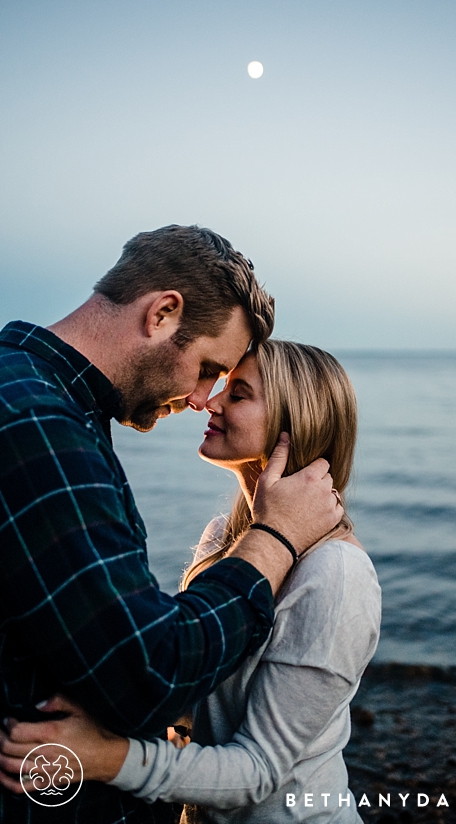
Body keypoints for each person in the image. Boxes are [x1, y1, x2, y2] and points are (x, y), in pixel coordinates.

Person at [0, 227, 344, 823]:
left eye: (228, 384)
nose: (200, 399)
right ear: (162, 314)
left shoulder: (44, 403)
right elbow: (148, 673)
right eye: (209, 367)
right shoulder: (39, 423)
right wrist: (275, 539)